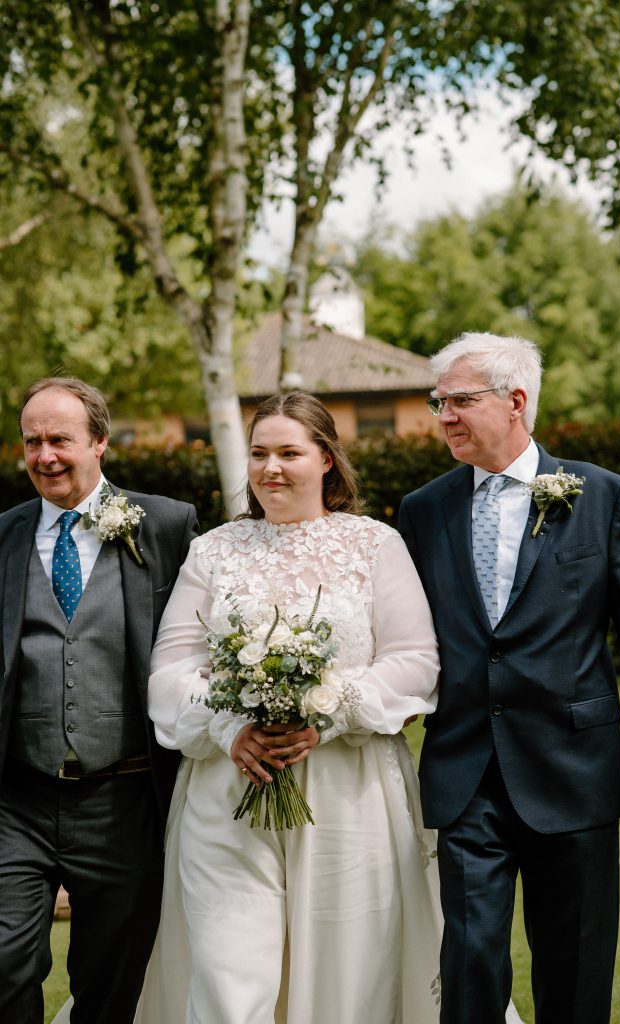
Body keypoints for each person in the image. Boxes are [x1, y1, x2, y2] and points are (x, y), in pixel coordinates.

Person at [397, 331, 620, 1024]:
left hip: (573, 768)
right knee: (466, 963)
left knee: (575, 969)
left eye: (459, 401)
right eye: (438, 402)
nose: (442, 417)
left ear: (515, 400)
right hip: (464, 773)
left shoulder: (604, 497)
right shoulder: (421, 510)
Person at [134, 391, 443, 1024]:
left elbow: (416, 658)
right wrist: (229, 727)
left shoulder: (374, 544)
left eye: (289, 453)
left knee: (345, 977)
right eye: (259, 453)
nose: (271, 468)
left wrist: (326, 714)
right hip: (227, 787)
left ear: (327, 459)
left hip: (348, 791)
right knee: (228, 971)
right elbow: (169, 669)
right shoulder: (214, 550)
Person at [0, 377, 198, 1024]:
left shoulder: (166, 525)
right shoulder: (2, 537)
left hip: (125, 799)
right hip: (18, 798)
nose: (44, 456)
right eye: (32, 442)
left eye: (60, 439)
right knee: (4, 962)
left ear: (100, 443)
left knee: (109, 980)